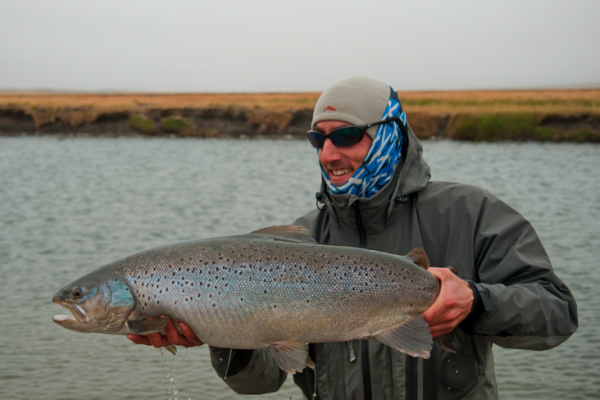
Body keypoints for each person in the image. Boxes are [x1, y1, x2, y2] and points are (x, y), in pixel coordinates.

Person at [128, 76, 578, 399]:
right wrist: (218, 331)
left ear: (390, 135)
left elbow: (557, 315)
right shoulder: (300, 238)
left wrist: (477, 302)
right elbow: (261, 383)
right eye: (317, 139)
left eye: (346, 135)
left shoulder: (470, 213)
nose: (329, 153)